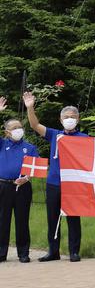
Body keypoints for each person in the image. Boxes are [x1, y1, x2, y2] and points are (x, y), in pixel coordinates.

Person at [24, 91, 88, 262]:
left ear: (78, 119)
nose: (69, 119)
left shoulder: (85, 138)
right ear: (61, 120)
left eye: (72, 116)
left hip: (74, 185)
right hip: (54, 183)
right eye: (66, 116)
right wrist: (30, 108)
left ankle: (74, 251)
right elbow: (35, 125)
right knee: (53, 218)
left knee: (73, 218)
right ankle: (53, 251)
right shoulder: (54, 134)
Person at [0, 97, 38, 263]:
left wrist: (27, 178)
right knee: (2, 220)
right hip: (4, 186)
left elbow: (35, 168)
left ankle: (23, 253)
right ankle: (1, 253)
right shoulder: (2, 144)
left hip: (23, 187)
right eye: (14, 128)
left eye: (20, 127)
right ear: (7, 132)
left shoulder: (29, 147)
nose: (18, 130)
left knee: (22, 220)